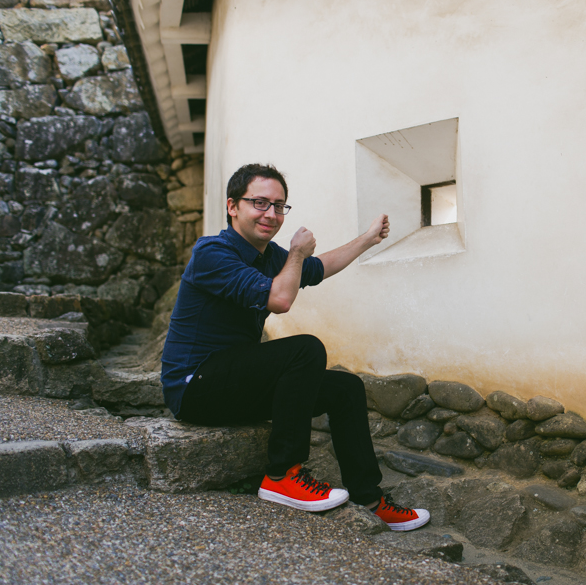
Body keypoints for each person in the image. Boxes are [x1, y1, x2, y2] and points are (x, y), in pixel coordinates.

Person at [160, 163, 429, 531]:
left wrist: (367, 239)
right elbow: (280, 299)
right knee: (305, 349)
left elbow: (319, 267)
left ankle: (370, 498)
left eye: (279, 205)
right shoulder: (212, 253)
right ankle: (282, 475)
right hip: (195, 387)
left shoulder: (269, 256)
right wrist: (297, 253)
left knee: (345, 388)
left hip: (234, 381)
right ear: (232, 206)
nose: (271, 214)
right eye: (259, 203)